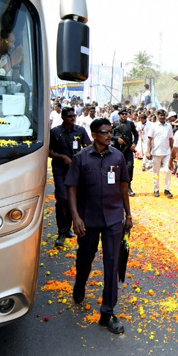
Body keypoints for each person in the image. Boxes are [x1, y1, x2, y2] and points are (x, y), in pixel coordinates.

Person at [66, 117, 131, 334]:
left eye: (110, 131)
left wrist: (128, 215)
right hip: (89, 219)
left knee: (112, 263)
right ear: (94, 134)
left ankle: (107, 312)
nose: (109, 135)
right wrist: (76, 217)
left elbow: (123, 186)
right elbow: (71, 188)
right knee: (85, 257)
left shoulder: (118, 157)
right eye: (104, 132)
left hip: (113, 218)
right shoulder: (81, 158)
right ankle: (80, 284)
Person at [48, 108, 91, 247]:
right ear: (63, 117)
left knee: (74, 199)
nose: (73, 118)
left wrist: (80, 157)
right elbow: (49, 152)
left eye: (74, 115)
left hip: (76, 170)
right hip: (60, 169)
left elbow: (88, 147)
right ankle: (62, 231)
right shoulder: (55, 132)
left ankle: (70, 228)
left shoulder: (80, 131)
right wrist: (63, 157)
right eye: (69, 116)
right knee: (62, 199)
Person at [146, 108, 174, 198]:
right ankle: (156, 189)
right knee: (156, 172)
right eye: (160, 115)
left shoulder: (169, 126)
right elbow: (149, 139)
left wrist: (173, 152)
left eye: (164, 115)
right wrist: (148, 152)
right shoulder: (153, 126)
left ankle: (166, 189)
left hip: (167, 152)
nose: (162, 117)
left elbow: (171, 139)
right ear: (157, 116)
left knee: (168, 170)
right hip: (156, 152)